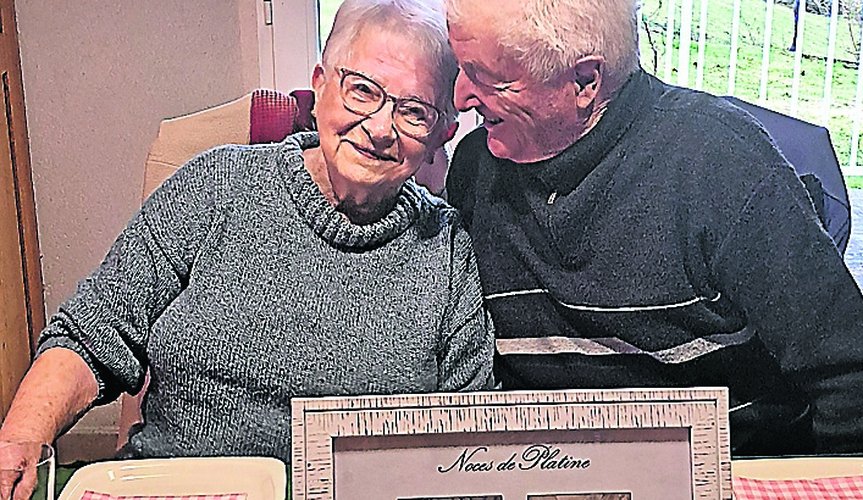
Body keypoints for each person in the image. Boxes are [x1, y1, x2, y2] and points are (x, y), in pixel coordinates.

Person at [0, 0, 493, 495]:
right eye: (362, 90)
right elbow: (89, 337)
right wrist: (22, 436)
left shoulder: (446, 249)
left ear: (442, 134)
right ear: (320, 86)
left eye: (413, 112)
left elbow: (471, 437)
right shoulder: (215, 185)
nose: (381, 128)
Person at [443, 0, 863, 456]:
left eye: (487, 78)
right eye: (461, 68)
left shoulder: (721, 162)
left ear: (585, 82)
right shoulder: (475, 170)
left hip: (730, 467)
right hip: (546, 467)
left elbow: (852, 382)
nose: (460, 98)